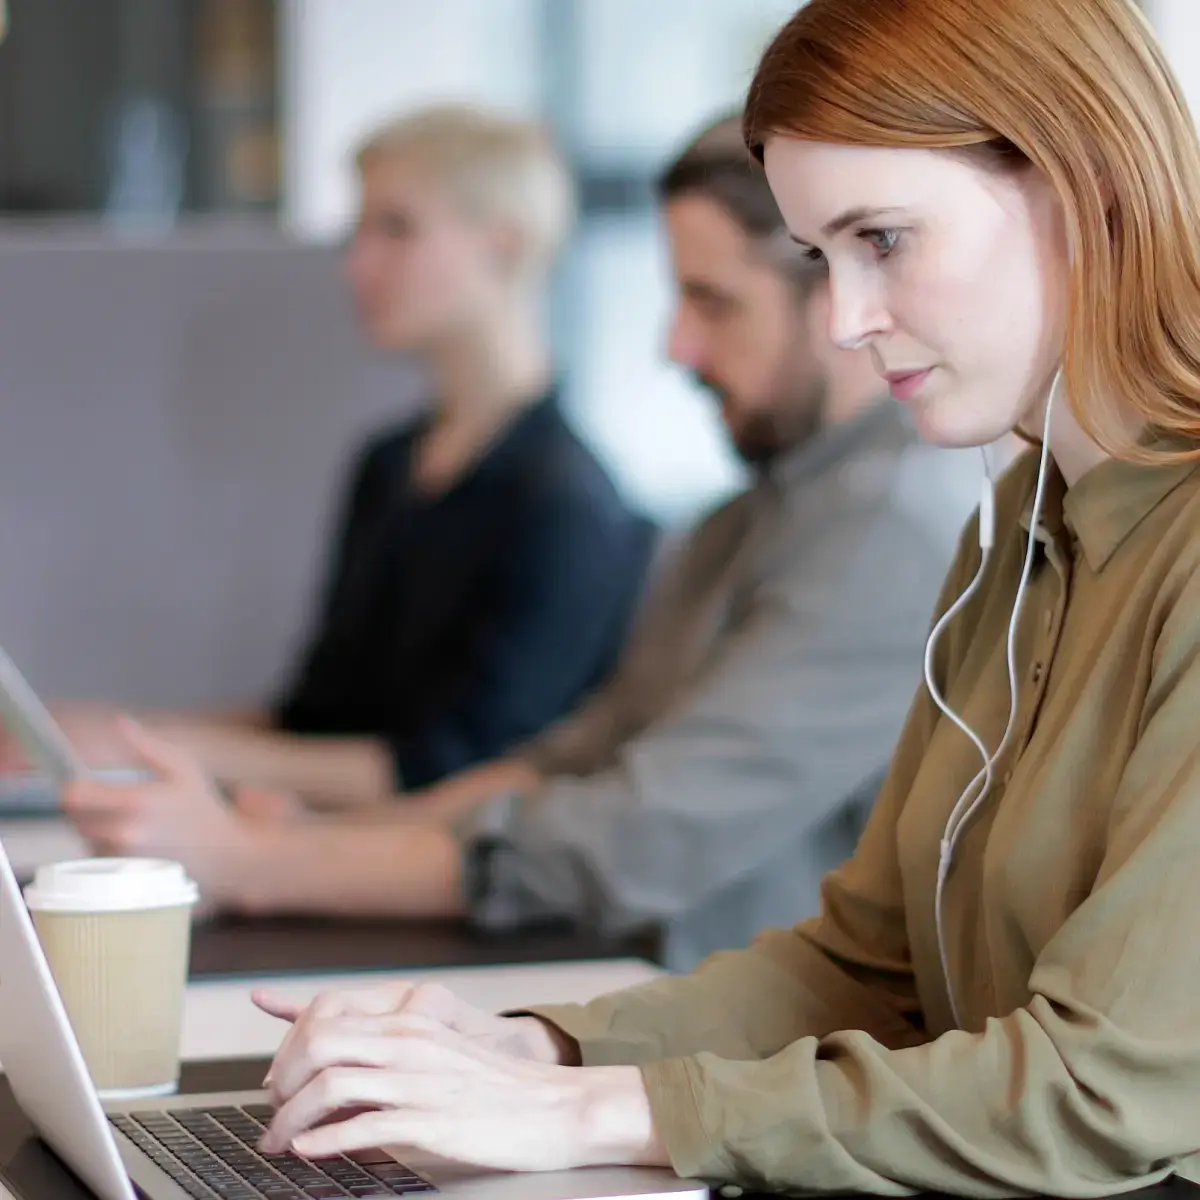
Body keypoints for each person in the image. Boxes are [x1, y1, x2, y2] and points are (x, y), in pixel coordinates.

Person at [225, 0, 1200, 1194]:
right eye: (820, 260)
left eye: (883, 240)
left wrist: (588, 1117)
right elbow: (870, 967)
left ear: (1080, 182)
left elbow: (1098, 1093)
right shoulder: (1014, 529)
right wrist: (535, 1047)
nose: (847, 320)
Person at [63, 112, 981, 968]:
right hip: (630, 990)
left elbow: (635, 835)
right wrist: (310, 845)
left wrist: (258, 866)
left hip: (727, 1036)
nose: (676, 348)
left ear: (841, 298)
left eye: (714, 302)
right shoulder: (743, 520)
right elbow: (576, 753)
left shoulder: (887, 530)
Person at [6, 104, 655, 799]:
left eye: (396, 229)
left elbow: (457, 770)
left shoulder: (568, 504)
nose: (358, 264)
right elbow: (318, 719)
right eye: (359, 232)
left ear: (504, 245)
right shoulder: (389, 465)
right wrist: (117, 734)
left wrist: (157, 744)